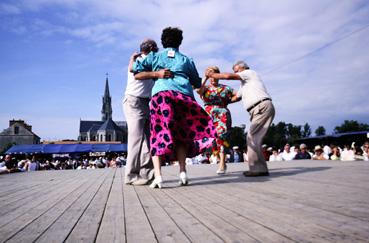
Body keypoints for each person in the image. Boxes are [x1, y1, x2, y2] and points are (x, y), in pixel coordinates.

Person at [133, 27, 217, 188]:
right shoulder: (186, 60)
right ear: (180, 42)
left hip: (162, 97)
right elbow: (197, 83)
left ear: (163, 41)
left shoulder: (155, 56)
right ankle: (183, 173)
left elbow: (136, 73)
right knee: (181, 136)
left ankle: (158, 177)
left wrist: (156, 74)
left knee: (158, 134)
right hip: (182, 97)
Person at [206, 60, 275, 176]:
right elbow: (235, 97)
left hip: (261, 107)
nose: (236, 74)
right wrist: (222, 101)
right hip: (257, 110)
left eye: (236, 71)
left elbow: (228, 76)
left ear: (243, 68)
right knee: (255, 139)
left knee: (252, 138)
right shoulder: (245, 85)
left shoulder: (250, 73)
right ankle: (260, 168)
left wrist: (211, 75)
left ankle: (256, 169)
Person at [123, 39, 158, 185]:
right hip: (134, 101)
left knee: (147, 139)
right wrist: (158, 74)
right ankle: (131, 175)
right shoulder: (140, 62)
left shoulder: (149, 62)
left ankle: (148, 172)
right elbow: (134, 70)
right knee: (136, 138)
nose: (158, 50)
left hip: (144, 102)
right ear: (150, 48)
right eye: (156, 47)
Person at [197, 66, 240, 174]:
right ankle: (220, 160)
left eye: (214, 74)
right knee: (213, 140)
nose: (212, 78)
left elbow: (239, 95)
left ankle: (222, 163)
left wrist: (228, 101)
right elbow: (198, 91)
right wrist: (205, 78)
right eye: (210, 75)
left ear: (218, 75)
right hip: (208, 115)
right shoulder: (206, 88)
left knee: (221, 137)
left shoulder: (226, 88)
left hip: (222, 114)